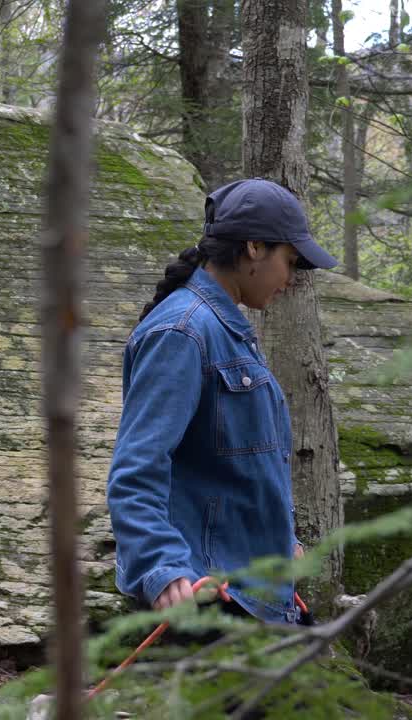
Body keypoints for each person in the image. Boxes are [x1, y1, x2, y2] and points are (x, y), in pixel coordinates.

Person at [106, 178, 338, 624]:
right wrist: (160, 564)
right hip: (206, 598)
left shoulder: (227, 329)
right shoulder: (182, 332)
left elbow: (234, 464)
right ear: (254, 246)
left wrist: (277, 535)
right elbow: (137, 468)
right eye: (289, 261)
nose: (290, 280)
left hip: (254, 594)